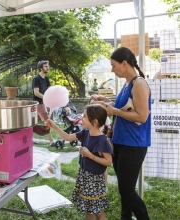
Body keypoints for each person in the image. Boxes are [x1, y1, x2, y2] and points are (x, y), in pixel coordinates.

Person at [92, 47, 151, 220]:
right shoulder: (127, 83)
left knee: (126, 190)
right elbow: (124, 107)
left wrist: (115, 112)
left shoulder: (139, 83)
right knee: (125, 188)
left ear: (124, 64)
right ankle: (125, 218)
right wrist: (106, 101)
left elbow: (142, 115)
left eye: (113, 65)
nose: (112, 69)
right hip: (121, 142)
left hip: (133, 145)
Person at [46, 104, 113, 220]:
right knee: (88, 210)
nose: (81, 118)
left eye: (85, 116)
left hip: (94, 180)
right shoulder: (85, 133)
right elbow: (67, 137)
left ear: (95, 122)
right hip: (85, 176)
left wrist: (89, 155)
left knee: (99, 211)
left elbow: (108, 162)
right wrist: (54, 126)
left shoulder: (102, 141)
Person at [32, 60, 56, 146]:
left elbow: (50, 90)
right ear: (41, 68)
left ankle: (30, 139)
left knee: (32, 123)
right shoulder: (36, 78)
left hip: (42, 103)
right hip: (38, 103)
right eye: (45, 66)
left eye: (48, 66)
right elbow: (36, 93)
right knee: (47, 120)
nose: (47, 67)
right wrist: (46, 97)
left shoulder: (46, 79)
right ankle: (51, 142)